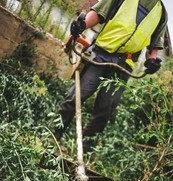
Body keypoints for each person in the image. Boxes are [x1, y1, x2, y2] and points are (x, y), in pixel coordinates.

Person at [54, 0, 168, 153]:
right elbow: (99, 13)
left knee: (105, 110)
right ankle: (53, 136)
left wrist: (151, 62)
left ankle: (85, 151)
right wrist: (82, 26)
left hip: (124, 65)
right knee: (76, 96)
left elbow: (154, 46)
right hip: (101, 54)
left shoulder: (161, 13)